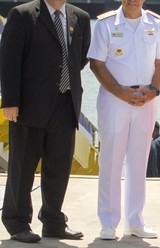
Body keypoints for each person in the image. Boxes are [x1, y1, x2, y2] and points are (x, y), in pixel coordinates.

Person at [0, 0, 90, 243]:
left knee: (59, 168)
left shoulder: (79, 17)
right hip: (29, 106)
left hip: (66, 103)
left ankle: (53, 221)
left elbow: (79, 59)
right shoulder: (23, 14)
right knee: (23, 167)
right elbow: (8, 59)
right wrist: (10, 101)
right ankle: (17, 222)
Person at [87, 0, 160, 240]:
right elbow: (96, 64)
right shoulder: (106, 24)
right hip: (114, 100)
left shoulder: (156, 23)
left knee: (139, 161)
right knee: (111, 160)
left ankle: (135, 221)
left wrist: (154, 90)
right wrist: (120, 92)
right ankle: (108, 222)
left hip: (146, 100)